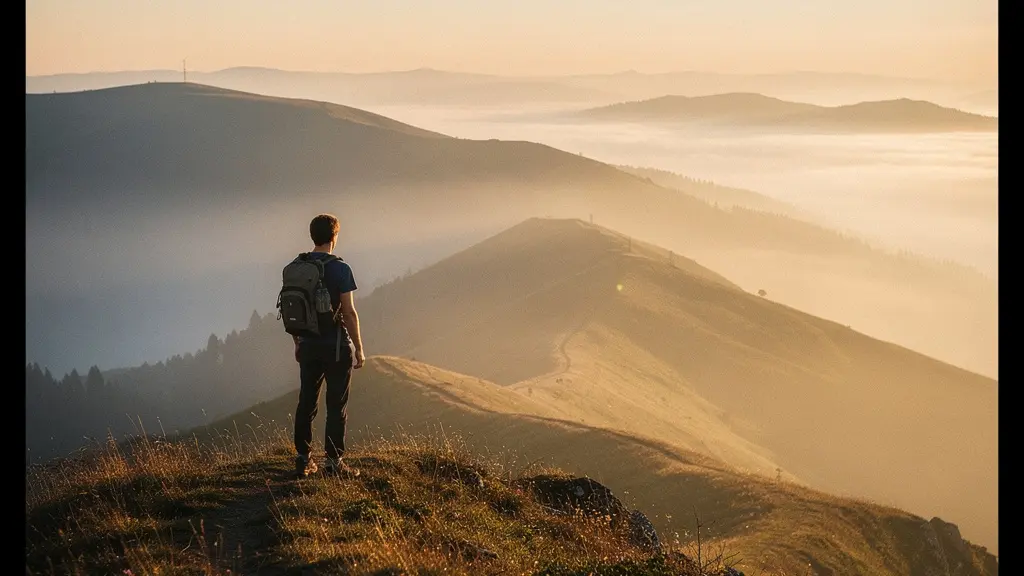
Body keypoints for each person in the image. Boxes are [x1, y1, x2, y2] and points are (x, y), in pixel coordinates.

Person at [292, 213, 365, 478]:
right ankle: (333, 463)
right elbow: (349, 313)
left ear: (313, 236)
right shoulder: (341, 269)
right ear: (335, 236)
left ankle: (303, 459)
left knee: (306, 402)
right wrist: (359, 347)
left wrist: (298, 342)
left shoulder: (297, 267)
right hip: (335, 346)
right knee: (336, 405)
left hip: (308, 345)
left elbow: (294, 310)